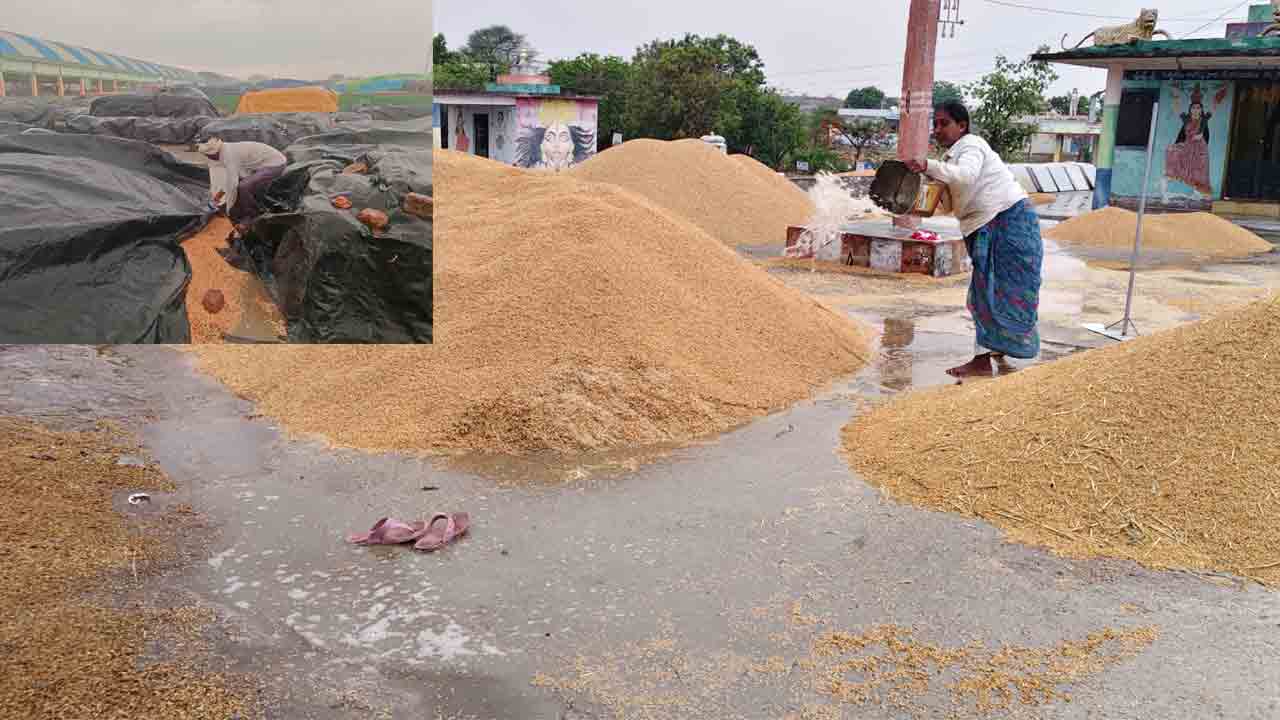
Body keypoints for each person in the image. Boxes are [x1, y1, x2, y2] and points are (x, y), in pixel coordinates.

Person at [904, 101, 1044, 379]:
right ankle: (996, 347)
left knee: (991, 291)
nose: (937, 129)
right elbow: (946, 202)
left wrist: (927, 165)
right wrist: (912, 200)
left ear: (962, 126)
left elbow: (966, 178)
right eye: (936, 124)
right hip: (987, 224)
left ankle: (982, 361)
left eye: (944, 123)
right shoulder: (950, 159)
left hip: (1006, 220)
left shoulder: (971, 146)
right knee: (995, 289)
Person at [196, 137, 288, 233]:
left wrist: (228, 209)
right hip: (260, 164)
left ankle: (251, 215)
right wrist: (217, 197)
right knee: (243, 184)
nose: (208, 157)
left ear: (214, 153)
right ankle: (249, 206)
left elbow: (232, 184)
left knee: (244, 186)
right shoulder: (221, 154)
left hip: (276, 163)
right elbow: (222, 180)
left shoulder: (228, 154)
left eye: (208, 155)